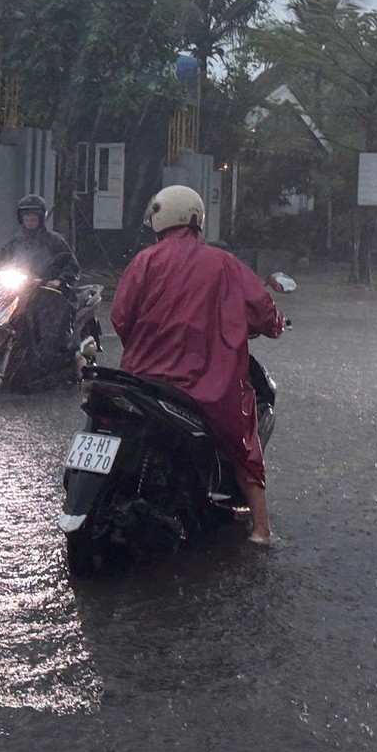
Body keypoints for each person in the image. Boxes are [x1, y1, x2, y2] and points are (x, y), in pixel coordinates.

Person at [111, 185, 286, 543]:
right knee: (243, 438)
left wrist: (143, 350)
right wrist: (276, 324)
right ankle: (262, 529)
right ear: (196, 218)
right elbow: (263, 310)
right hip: (207, 381)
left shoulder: (143, 261)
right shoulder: (223, 263)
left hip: (143, 379)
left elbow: (120, 317)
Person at [0, 194, 80, 380]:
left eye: (34, 216)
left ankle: (59, 359)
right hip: (19, 292)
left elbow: (71, 264)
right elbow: (1, 263)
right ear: (21, 218)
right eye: (26, 216)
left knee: (51, 326)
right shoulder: (14, 243)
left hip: (47, 293)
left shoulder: (54, 241)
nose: (30, 219)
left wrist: (58, 279)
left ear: (41, 218)